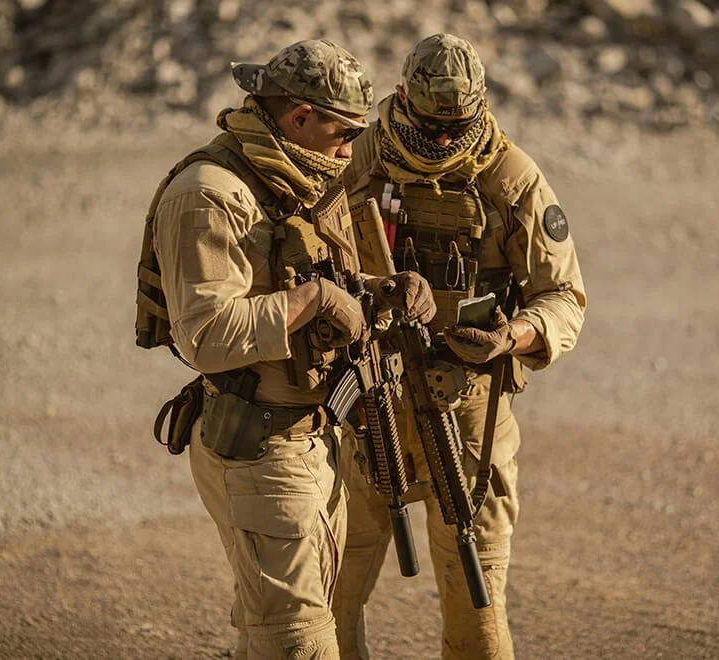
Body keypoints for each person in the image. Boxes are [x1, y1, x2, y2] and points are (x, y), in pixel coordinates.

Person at [141, 40, 423, 659]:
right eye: (343, 131)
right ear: (299, 117)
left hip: (310, 441)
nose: (351, 149)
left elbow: (309, 278)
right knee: (298, 643)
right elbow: (206, 335)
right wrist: (314, 302)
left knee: (281, 634)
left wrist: (384, 290)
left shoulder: (300, 175)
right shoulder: (210, 192)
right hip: (261, 449)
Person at [333, 33, 587, 659]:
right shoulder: (357, 158)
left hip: (469, 419)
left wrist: (511, 337)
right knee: (326, 593)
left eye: (459, 126)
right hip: (369, 406)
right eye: (429, 125)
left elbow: (563, 297)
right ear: (401, 99)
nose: (444, 141)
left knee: (477, 609)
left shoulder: (510, 178)